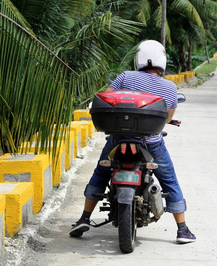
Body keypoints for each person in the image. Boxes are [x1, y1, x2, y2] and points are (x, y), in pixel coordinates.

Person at [69, 40, 196, 244]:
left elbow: (107, 98)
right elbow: (166, 118)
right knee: (169, 180)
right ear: (162, 61)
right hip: (151, 142)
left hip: (119, 138)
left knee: (101, 173)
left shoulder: (125, 76)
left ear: (138, 59)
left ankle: (84, 218)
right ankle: (182, 229)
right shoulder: (170, 87)